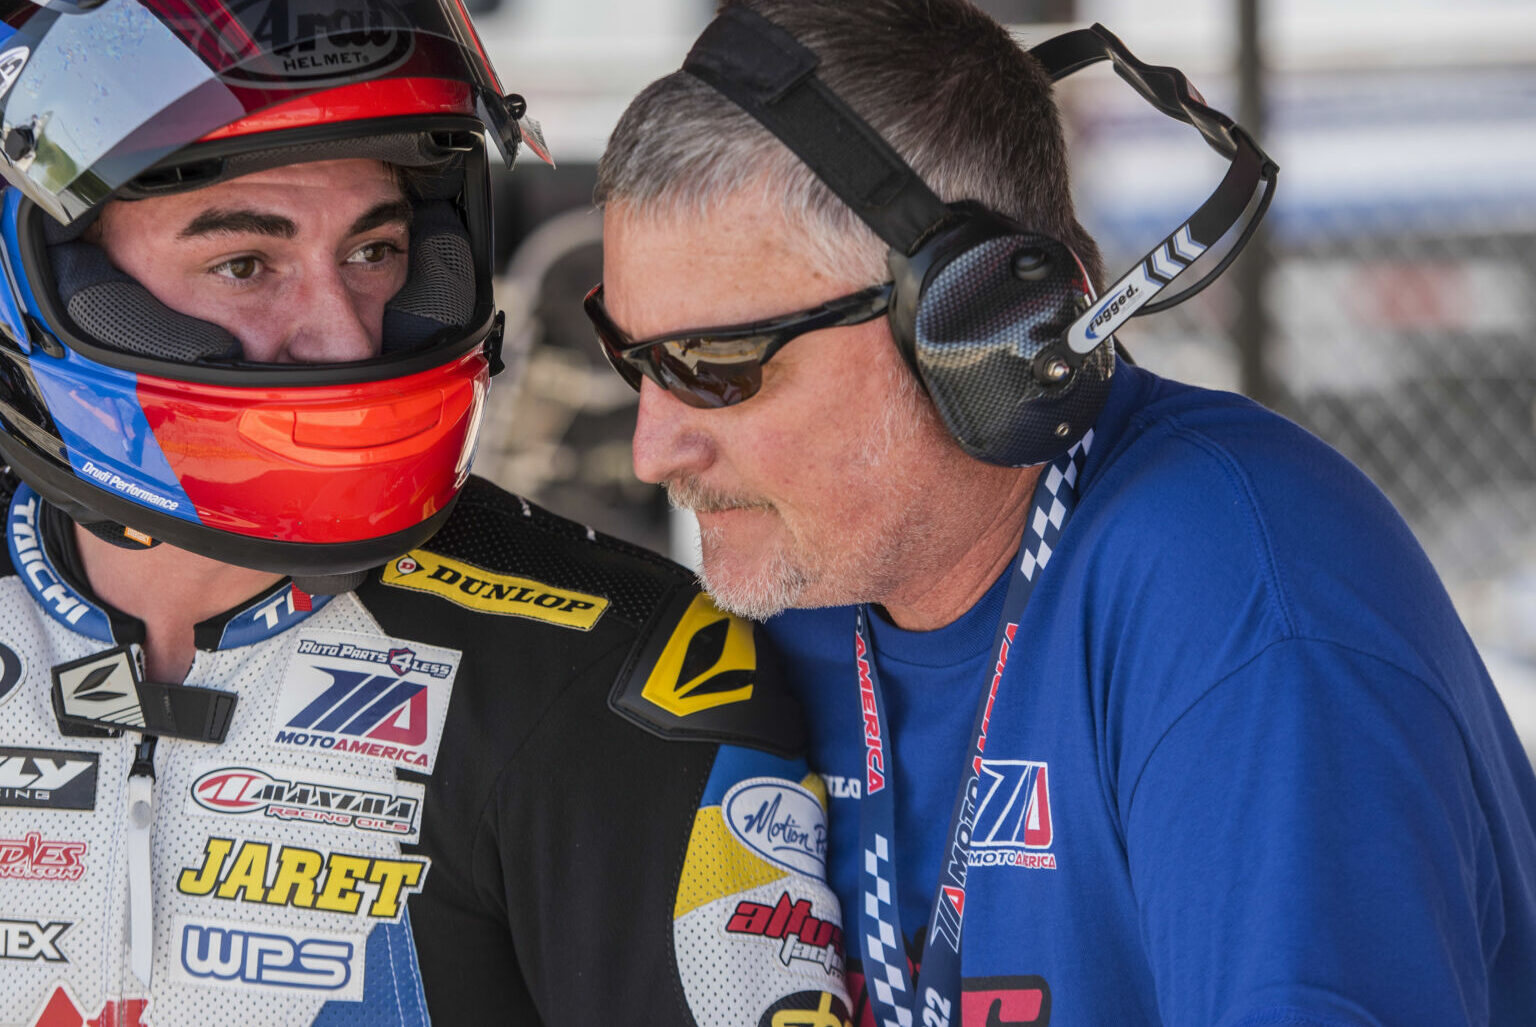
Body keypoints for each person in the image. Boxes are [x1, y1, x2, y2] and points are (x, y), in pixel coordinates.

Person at [0, 1, 852, 1024]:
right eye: (245, 262)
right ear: (36, 273)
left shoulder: (623, 674)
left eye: (376, 249)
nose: (343, 328)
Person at [592, 1, 1536, 1025]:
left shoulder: (1239, 602)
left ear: (981, 323)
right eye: (635, 358)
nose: (656, 450)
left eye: (717, 367)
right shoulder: (813, 586)